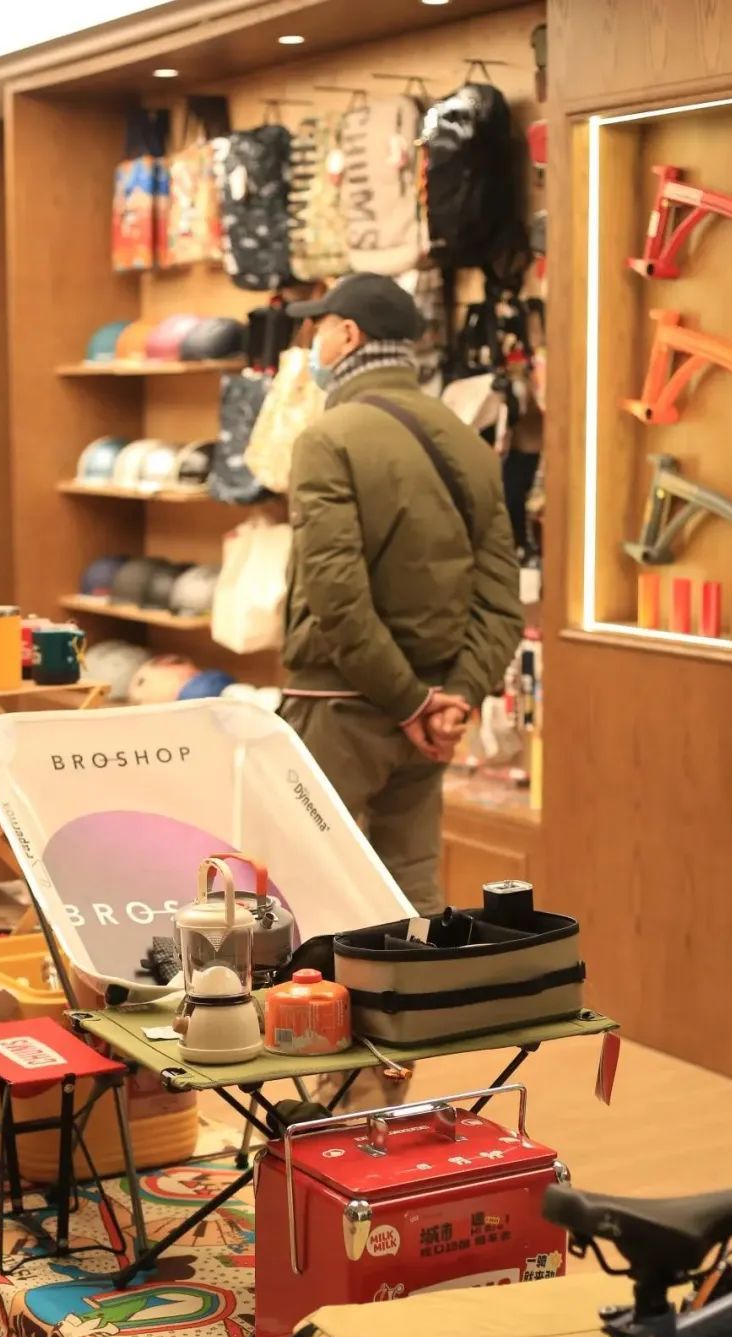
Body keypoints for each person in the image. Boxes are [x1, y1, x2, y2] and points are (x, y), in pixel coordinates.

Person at [280, 272, 523, 915]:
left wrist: (408, 699)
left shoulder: (328, 439)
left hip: (339, 705)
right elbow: (501, 602)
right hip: (434, 712)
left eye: (319, 327)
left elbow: (335, 595)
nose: (313, 342)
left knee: (305, 889)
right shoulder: (469, 444)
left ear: (348, 335)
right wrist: (455, 696)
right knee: (410, 890)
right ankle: (411, 983)